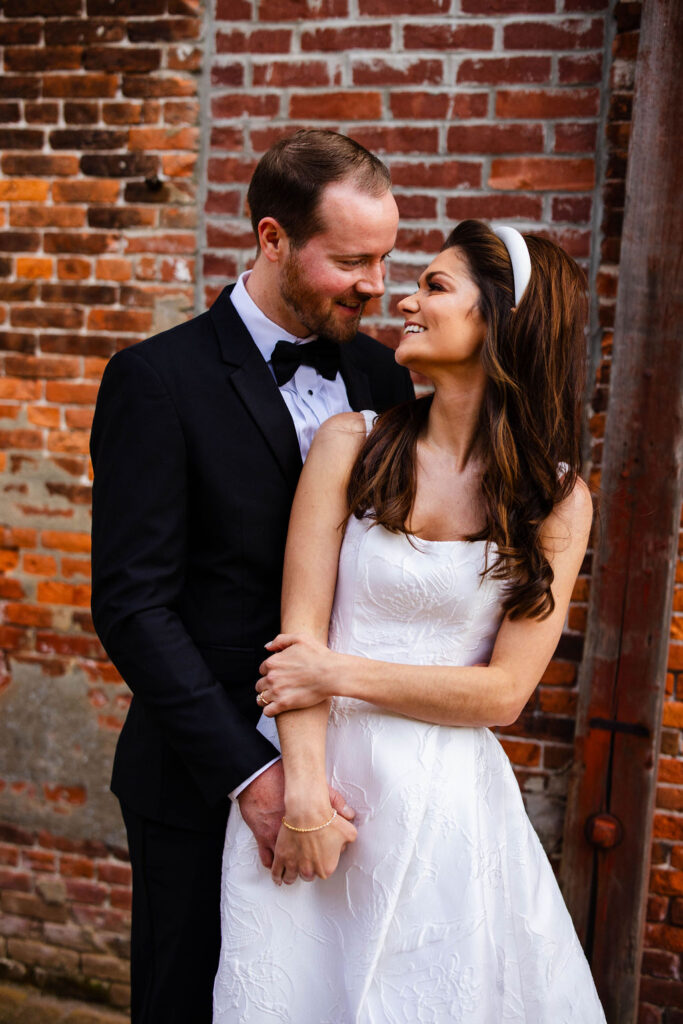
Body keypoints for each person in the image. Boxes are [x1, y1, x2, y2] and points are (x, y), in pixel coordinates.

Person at [213, 220, 606, 1022]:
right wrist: (306, 803)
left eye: (434, 285)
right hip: (319, 780)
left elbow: (502, 694)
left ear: (499, 319)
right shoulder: (348, 444)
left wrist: (338, 671)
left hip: (445, 804)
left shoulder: (558, 499)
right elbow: (299, 637)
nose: (405, 296)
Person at [89, 129, 413, 1024]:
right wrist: (254, 778)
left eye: (386, 260)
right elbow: (131, 606)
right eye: (351, 260)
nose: (375, 286)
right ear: (272, 239)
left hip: (356, 779)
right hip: (202, 782)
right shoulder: (155, 380)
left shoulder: (386, 376)